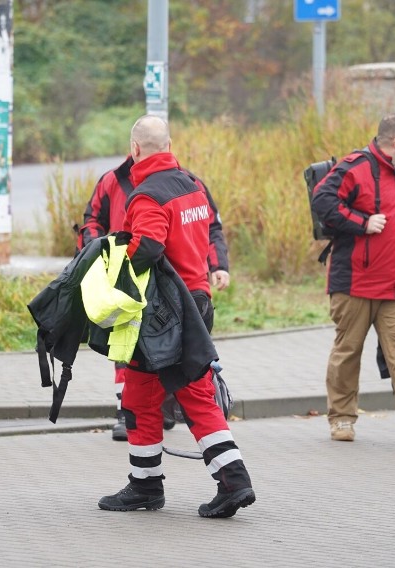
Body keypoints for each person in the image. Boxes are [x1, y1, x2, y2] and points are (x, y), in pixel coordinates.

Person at [97, 115, 255, 518]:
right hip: (195, 302)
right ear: (168, 145)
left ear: (134, 149)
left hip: (164, 314)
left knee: (194, 397)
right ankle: (145, 484)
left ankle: (233, 481)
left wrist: (114, 268)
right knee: (139, 396)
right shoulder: (192, 186)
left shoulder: (147, 195)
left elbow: (148, 246)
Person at [311, 113, 395, 447]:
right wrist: (361, 222)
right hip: (355, 283)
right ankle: (342, 419)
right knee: (348, 350)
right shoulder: (356, 167)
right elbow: (322, 200)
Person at [79, 153, 230, 442]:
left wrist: (219, 264)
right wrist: (98, 259)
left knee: (176, 373)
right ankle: (131, 415)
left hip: (175, 292)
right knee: (130, 354)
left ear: (136, 146)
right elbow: (92, 223)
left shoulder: (186, 184)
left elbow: (209, 229)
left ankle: (163, 408)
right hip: (145, 291)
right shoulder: (112, 181)